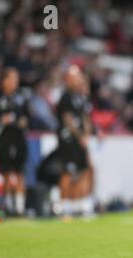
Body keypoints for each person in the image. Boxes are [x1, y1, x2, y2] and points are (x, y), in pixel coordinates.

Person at [0, 68, 29, 216]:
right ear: (4, 80)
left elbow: (27, 115)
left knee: (20, 171)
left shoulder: (20, 96)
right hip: (4, 138)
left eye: (16, 79)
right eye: (13, 78)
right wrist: (0, 118)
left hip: (19, 137)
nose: (16, 82)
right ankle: (8, 205)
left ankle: (20, 207)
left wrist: (24, 121)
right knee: (7, 171)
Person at [55, 65, 94, 218]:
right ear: (68, 79)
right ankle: (64, 205)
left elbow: (85, 117)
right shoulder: (65, 97)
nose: (78, 80)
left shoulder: (80, 97)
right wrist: (81, 136)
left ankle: (78, 204)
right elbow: (68, 120)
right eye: (75, 77)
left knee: (83, 170)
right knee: (68, 172)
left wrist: (86, 134)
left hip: (80, 140)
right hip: (68, 141)